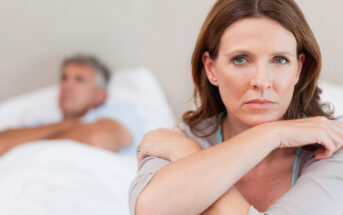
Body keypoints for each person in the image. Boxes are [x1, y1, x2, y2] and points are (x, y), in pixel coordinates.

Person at [129, 0, 343, 214]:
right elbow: (148, 209)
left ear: (298, 69)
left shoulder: (332, 143)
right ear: (211, 69)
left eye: (279, 60)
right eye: (240, 59)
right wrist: (273, 134)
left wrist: (186, 154)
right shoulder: (180, 137)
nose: (261, 81)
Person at [0, 55, 144, 156]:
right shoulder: (41, 123)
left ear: (100, 95)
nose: (67, 86)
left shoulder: (118, 114)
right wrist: (67, 125)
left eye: (79, 79)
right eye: (64, 78)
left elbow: (98, 139)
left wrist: (27, 144)